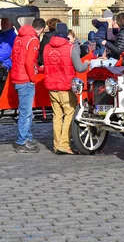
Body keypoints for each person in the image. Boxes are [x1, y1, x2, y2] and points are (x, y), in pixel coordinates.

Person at [43, 22, 89, 154]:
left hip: (51, 86)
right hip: (65, 86)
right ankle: (64, 143)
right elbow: (79, 68)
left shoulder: (47, 47)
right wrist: (86, 63)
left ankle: (57, 144)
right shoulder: (70, 48)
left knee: (57, 115)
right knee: (70, 112)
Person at [11, 17, 46, 153]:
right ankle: (22, 141)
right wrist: (33, 77)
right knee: (26, 112)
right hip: (25, 78)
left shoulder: (19, 37)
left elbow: (14, 56)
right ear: (41, 29)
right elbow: (29, 62)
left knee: (26, 111)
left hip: (17, 75)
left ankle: (27, 137)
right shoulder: (33, 40)